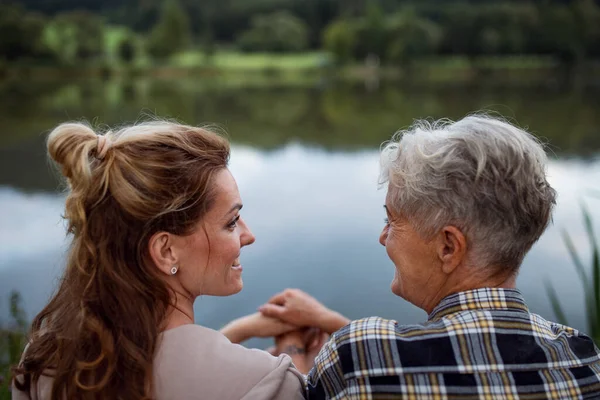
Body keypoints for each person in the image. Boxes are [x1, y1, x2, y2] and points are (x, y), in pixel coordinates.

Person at [260, 115, 600, 399]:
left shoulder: (358, 357)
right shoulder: (582, 359)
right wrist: (330, 320)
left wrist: (295, 352)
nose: (382, 237)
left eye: (391, 219)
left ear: (449, 247)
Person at [11, 121, 308, 399]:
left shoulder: (42, 362)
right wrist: (295, 350)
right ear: (166, 251)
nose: (248, 235)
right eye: (231, 222)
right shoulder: (265, 381)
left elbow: (161, 362)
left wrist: (242, 331)